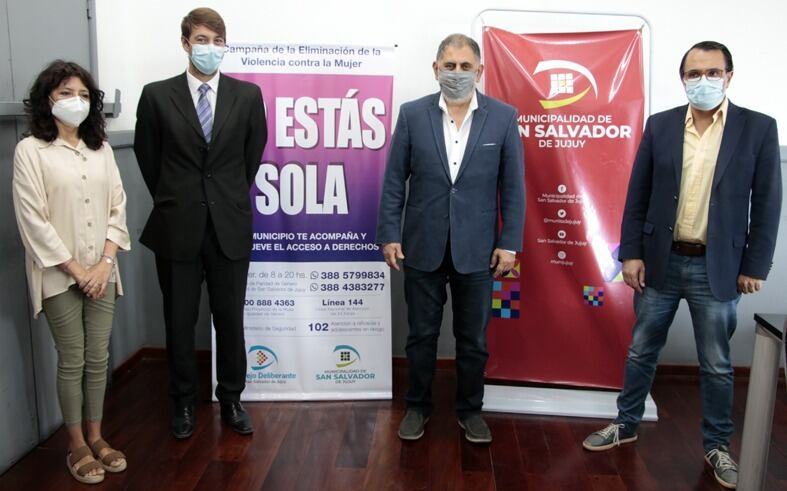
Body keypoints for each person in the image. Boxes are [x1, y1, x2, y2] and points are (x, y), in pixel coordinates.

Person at [582, 41, 782, 489]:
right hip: (660, 262)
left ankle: (717, 445)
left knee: (716, 362)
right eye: (694, 73)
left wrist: (756, 265)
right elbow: (638, 194)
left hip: (720, 268)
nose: (703, 81)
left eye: (713, 72)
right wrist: (630, 253)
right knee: (641, 349)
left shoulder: (758, 129)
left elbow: (768, 203)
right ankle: (626, 423)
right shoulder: (661, 125)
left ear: (729, 77)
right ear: (683, 79)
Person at [376, 34, 525, 443]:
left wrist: (509, 242)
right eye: (449, 65)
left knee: (473, 339)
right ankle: (418, 407)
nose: (456, 73)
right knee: (421, 335)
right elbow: (393, 181)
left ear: (479, 71)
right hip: (421, 243)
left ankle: (470, 410)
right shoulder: (412, 114)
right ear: (435, 69)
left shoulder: (503, 117)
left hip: (478, 250)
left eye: (464, 66)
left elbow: (513, 187)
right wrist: (389, 232)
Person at [134, 7, 267, 439]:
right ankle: (184, 405)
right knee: (179, 320)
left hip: (229, 227)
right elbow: (148, 159)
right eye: (201, 39)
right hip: (178, 228)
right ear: (185, 43)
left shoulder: (247, 96)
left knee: (230, 319)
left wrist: (221, 199)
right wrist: (180, 199)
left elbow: (250, 159)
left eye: (217, 40)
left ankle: (232, 399)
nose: (209, 47)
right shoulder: (156, 95)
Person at [12, 60, 130, 484]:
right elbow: (33, 220)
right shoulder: (30, 150)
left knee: (98, 358)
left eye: (82, 94)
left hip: (103, 269)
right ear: (48, 100)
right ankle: (76, 443)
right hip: (60, 273)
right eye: (65, 93)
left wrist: (104, 264)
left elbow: (118, 206)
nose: (74, 101)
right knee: (73, 358)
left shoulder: (100, 148)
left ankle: (98, 436)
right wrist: (79, 270)